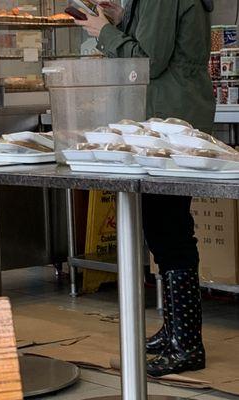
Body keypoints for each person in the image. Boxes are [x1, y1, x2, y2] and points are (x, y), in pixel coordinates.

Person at [75, 0, 216, 377]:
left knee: (168, 231)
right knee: (164, 228)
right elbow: (167, 42)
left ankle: (185, 343)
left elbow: (148, 60)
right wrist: (123, 19)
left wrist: (103, 31)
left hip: (167, 125)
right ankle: (176, 331)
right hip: (176, 119)